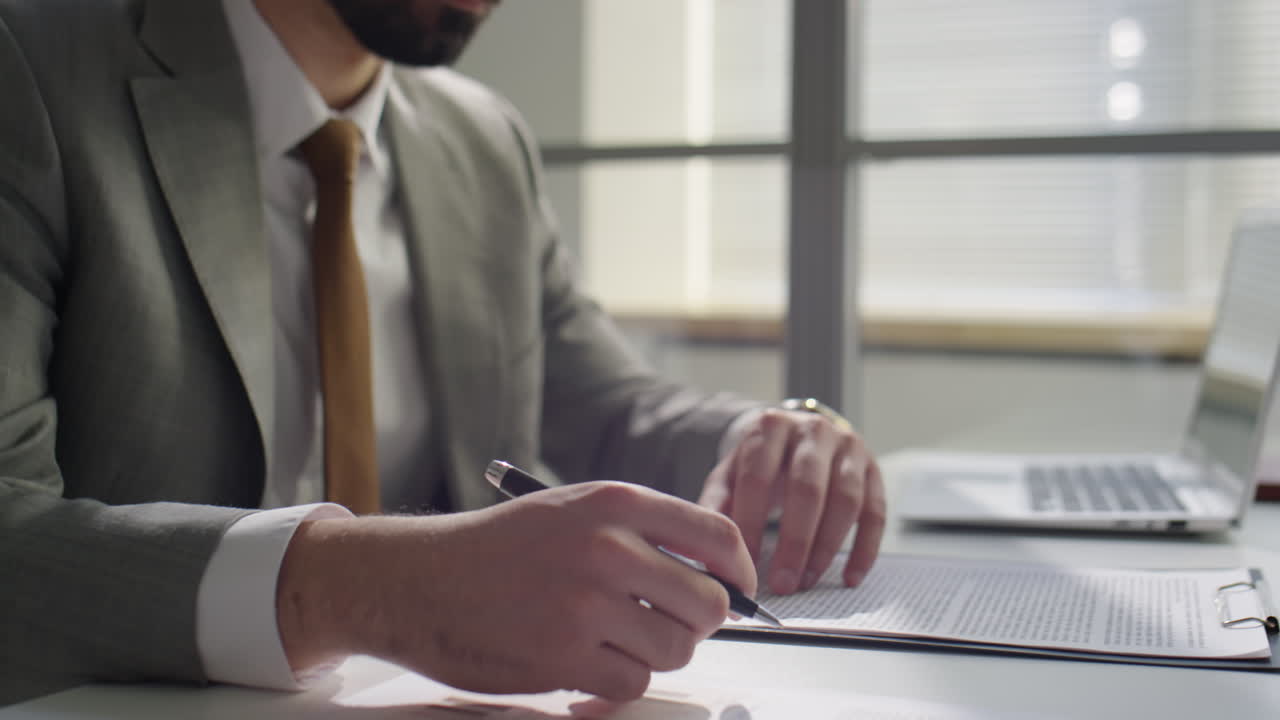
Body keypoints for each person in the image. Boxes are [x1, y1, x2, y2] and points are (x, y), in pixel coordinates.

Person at [0, 0, 885, 706]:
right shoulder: (30, 69)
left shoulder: (481, 139)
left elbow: (600, 402)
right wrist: (375, 590)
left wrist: (761, 439)